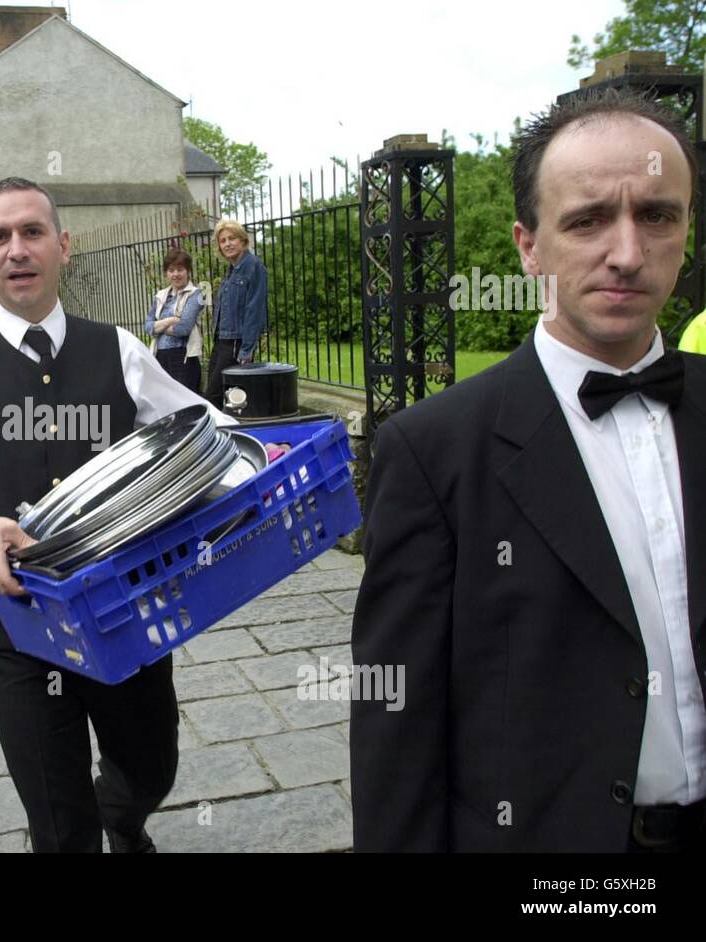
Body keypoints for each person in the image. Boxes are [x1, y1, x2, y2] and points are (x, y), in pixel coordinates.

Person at [350, 89, 706, 853]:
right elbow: (396, 719)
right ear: (528, 246)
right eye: (586, 220)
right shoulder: (433, 451)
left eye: (656, 215)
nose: (627, 253)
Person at [0, 177, 235, 853]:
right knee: (58, 825)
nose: (17, 249)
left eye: (32, 232)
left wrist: (261, 464)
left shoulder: (117, 348)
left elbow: (206, 431)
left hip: (126, 615)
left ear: (64, 246)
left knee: (151, 770)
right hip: (18, 626)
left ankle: (122, 814)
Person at [203, 220, 268, 408]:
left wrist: (247, 349)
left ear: (242, 240)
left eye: (232, 238)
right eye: (222, 241)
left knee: (215, 395)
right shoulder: (232, 269)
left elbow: (254, 309)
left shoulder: (253, 266)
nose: (227, 244)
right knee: (220, 395)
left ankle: (214, 435)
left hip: (235, 342)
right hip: (221, 340)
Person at [145, 247, 204, 393]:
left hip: (183, 357)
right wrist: (171, 320)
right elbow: (147, 327)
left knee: (186, 403)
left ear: (188, 271)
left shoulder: (196, 294)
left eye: (180, 269)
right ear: (166, 273)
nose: (175, 274)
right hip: (160, 356)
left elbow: (183, 329)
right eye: (171, 270)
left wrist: (158, 327)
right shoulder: (161, 295)